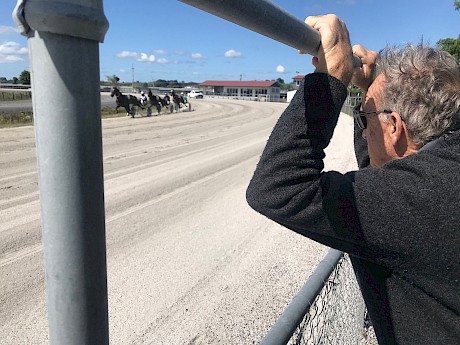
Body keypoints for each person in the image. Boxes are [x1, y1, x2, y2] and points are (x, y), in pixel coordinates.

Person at [246, 14, 460, 345]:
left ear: (394, 127)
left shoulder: (421, 196)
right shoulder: (443, 167)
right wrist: (369, 88)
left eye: (368, 117)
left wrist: (329, 79)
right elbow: (384, 168)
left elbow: (278, 188)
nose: (364, 124)